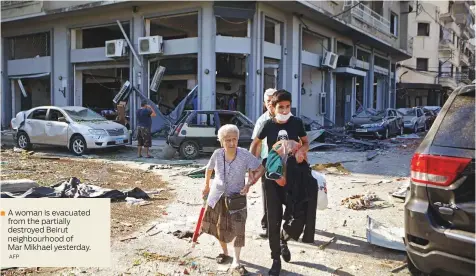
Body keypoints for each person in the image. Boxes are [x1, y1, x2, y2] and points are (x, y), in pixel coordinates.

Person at [249, 90, 309, 276]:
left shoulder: (297, 123)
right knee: (273, 218)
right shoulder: (267, 124)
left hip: (293, 174)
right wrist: (254, 166)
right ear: (273, 109)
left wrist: (302, 151)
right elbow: (255, 144)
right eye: (280, 107)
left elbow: (306, 142)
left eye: (287, 106)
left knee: (298, 216)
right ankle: (276, 259)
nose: (284, 110)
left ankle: (284, 239)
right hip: (272, 176)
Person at [201, 124, 265, 276]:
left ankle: (237, 259)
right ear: (221, 141)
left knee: (239, 228)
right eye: (227, 140)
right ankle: (225, 252)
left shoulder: (244, 154)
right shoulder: (217, 154)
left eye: (234, 139)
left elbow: (261, 168)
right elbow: (209, 169)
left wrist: (250, 183)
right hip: (217, 196)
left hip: (237, 198)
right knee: (218, 226)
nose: (231, 143)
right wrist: (206, 186)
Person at [250, 88, 276, 238]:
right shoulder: (262, 121)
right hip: (268, 162)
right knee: (268, 195)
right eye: (268, 102)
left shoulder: (287, 117)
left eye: (274, 101)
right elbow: (256, 144)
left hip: (286, 161)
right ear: (264, 104)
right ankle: (267, 225)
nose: (271, 105)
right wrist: (252, 167)